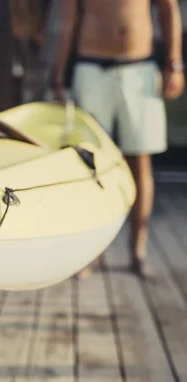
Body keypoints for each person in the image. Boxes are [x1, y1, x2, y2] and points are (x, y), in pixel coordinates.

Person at [51, 0, 184, 278]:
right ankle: (91, 252)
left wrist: (175, 64)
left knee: (139, 161)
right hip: (90, 66)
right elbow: (69, 21)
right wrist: (60, 76)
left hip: (139, 67)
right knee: (90, 164)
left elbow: (168, 8)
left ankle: (138, 251)